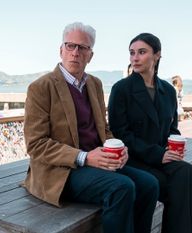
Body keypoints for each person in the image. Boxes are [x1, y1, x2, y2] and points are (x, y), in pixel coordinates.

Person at [23, 22, 159, 233]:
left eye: (82, 48)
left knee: (150, 184)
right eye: (70, 46)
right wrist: (84, 157)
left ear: (90, 55)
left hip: (96, 162)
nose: (75, 53)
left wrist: (119, 149)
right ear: (61, 50)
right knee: (122, 187)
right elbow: (36, 144)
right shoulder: (41, 87)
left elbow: (103, 130)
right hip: (62, 170)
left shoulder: (94, 84)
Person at [108, 33, 192, 233]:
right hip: (134, 159)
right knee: (167, 185)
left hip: (160, 158)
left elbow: (172, 128)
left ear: (156, 55)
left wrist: (174, 146)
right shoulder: (121, 89)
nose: (135, 58)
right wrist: (159, 154)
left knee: (186, 172)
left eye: (142, 52)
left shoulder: (168, 90)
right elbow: (119, 133)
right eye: (132, 53)